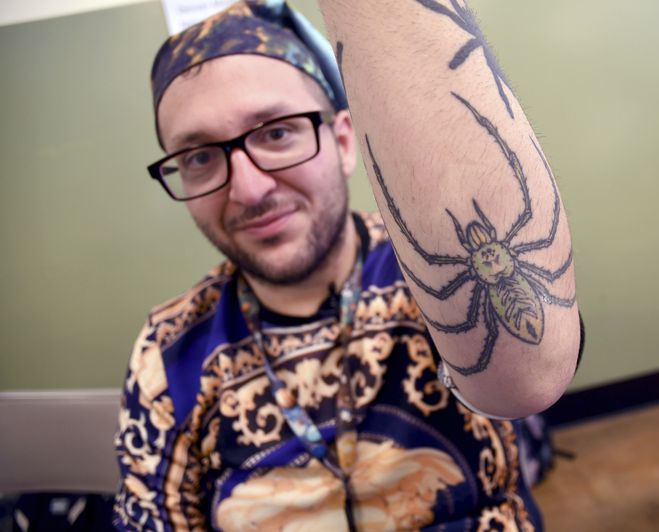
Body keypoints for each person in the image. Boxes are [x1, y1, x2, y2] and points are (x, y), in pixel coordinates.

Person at [114, 1, 583, 530]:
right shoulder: (168, 352)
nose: (249, 189)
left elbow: (531, 377)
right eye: (199, 157)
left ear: (343, 141)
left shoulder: (425, 282)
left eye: (276, 133)